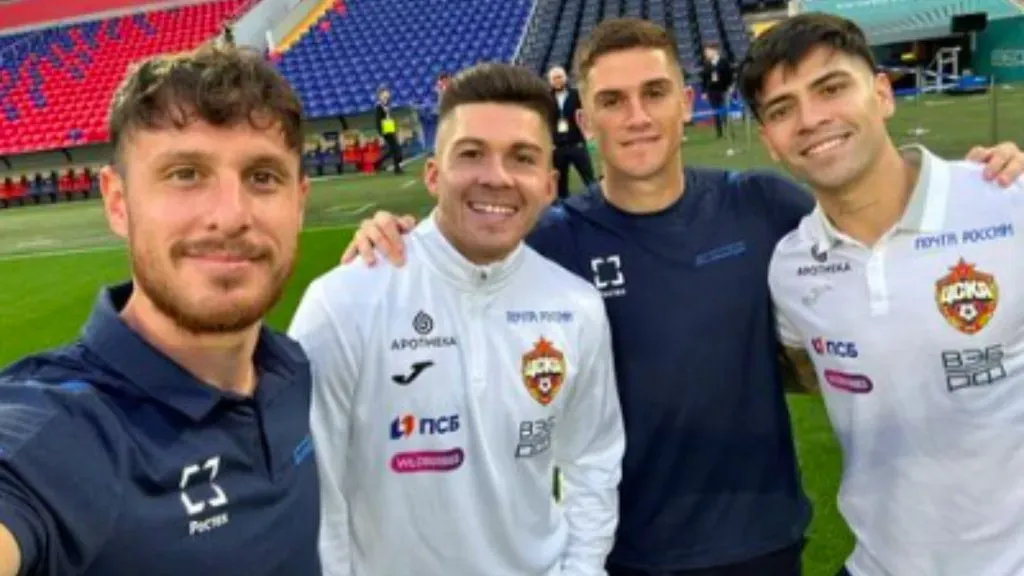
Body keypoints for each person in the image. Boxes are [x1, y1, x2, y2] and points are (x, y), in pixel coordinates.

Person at [340, 18, 1024, 576]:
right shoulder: (548, 243)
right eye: (612, 101)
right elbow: (458, 260)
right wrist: (395, 233)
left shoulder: (761, 207)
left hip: (760, 538)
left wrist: (974, 181)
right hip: (617, 549)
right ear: (585, 119)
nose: (636, 117)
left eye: (655, 92)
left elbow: (866, 219)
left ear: (687, 102)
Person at [289, 63, 625, 576]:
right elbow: (313, 493)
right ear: (432, 173)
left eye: (523, 157)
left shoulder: (576, 304)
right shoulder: (343, 303)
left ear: (549, 183)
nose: (496, 176)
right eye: (471, 154)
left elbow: (593, 460)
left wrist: (581, 570)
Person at [0, 44, 317, 576]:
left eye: (263, 177)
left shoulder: (290, 368)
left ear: (299, 203)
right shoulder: (62, 430)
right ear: (118, 202)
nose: (230, 215)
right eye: (186, 173)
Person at [738, 13, 1024, 576]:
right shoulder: (791, 266)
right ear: (770, 141)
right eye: (781, 109)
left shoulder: (1007, 203)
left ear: (882, 94)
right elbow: (809, 369)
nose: (811, 119)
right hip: (878, 564)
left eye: (831, 88)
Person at [548, 65, 596, 199]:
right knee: (560, 185)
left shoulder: (576, 94)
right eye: (554, 78)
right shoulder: (546, 98)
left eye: (559, 77)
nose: (557, 80)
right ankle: (564, 212)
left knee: (589, 179)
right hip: (558, 148)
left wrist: (588, 134)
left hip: (577, 144)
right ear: (550, 81)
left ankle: (598, 205)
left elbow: (586, 115)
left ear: (565, 78)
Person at [700, 42, 733, 139]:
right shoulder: (707, 64)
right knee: (715, 112)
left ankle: (728, 130)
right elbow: (704, 79)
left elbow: (729, 76)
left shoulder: (724, 62)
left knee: (724, 111)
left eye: (708, 51)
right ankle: (719, 132)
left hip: (723, 89)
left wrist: (730, 87)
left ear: (714, 51)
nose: (706, 54)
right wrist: (704, 92)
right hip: (712, 90)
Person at [374, 86, 404, 175]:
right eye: (384, 93)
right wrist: (381, 131)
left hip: (389, 126)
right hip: (385, 128)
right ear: (380, 95)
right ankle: (397, 168)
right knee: (395, 147)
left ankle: (378, 163)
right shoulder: (379, 106)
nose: (387, 94)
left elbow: (388, 117)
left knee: (393, 149)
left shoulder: (386, 104)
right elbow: (378, 120)